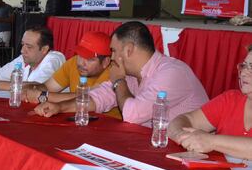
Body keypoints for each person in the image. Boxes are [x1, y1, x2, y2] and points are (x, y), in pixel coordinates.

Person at [34, 21, 208, 125]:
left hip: (185, 156)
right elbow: (97, 97)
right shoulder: (132, 74)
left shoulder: (171, 73)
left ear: (129, 50)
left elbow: (132, 115)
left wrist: (118, 81)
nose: (112, 57)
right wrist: (59, 108)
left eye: (114, 51)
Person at [168, 45, 252, 160]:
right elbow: (186, 119)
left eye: (251, 67)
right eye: (244, 66)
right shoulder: (230, 99)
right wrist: (183, 136)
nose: (243, 73)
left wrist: (211, 141)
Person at [22, 31, 121, 118]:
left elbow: (86, 98)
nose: (81, 62)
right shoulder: (74, 62)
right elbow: (47, 87)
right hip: (78, 120)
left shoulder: (114, 72)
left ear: (106, 62)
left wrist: (42, 96)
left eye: (89, 59)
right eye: (80, 55)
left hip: (107, 126)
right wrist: (28, 89)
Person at [0, 26, 65, 89]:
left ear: (44, 49)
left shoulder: (54, 59)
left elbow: (38, 87)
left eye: (29, 47)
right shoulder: (23, 58)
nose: (22, 51)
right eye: (22, 45)